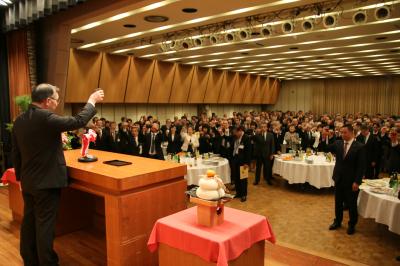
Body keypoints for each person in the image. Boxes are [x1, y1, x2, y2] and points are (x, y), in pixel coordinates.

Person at [12, 84, 104, 265]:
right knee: (45, 226)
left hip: (29, 182)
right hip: (46, 183)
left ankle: (30, 260)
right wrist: (92, 101)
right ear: (47, 101)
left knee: (29, 223)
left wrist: (20, 178)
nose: (57, 103)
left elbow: (17, 152)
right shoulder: (46, 117)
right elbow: (78, 121)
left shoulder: (20, 120)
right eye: (56, 99)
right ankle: (48, 262)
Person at [328, 124, 365, 235]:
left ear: (351, 133)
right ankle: (337, 221)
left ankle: (352, 224)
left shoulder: (360, 147)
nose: (342, 134)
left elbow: (361, 166)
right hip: (339, 178)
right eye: (341, 132)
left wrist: (357, 182)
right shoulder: (338, 143)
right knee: (338, 202)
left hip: (351, 181)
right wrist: (327, 137)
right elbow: (324, 147)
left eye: (344, 132)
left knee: (351, 204)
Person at [230, 126, 251, 202]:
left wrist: (247, 163)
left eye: (236, 132)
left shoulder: (246, 138)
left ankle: (244, 195)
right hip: (235, 159)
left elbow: (249, 152)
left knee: (243, 179)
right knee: (237, 178)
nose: (235, 134)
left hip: (243, 162)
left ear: (240, 131)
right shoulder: (236, 137)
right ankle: (238, 193)